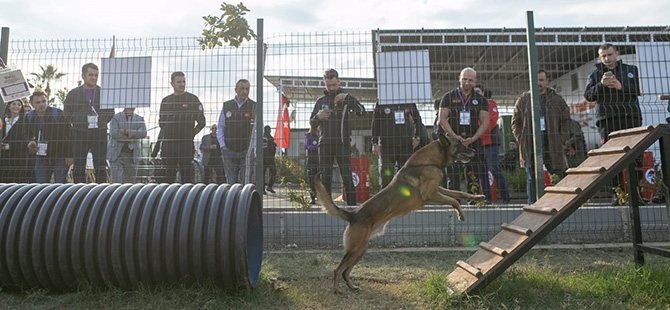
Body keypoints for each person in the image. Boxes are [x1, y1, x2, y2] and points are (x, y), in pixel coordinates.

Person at [584, 43, 643, 204]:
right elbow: (588, 95)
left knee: (636, 155)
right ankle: (616, 193)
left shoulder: (631, 70)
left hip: (630, 117)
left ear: (616, 53)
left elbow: (639, 90)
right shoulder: (595, 74)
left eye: (610, 55)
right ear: (599, 57)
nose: (607, 59)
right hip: (607, 120)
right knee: (611, 158)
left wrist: (620, 86)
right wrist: (601, 85)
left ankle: (636, 193)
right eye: (604, 56)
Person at [512, 69, 571, 202]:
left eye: (541, 80)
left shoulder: (556, 98)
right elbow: (516, 122)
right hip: (531, 143)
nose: (538, 83)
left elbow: (566, 120)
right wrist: (522, 139)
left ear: (547, 81)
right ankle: (534, 204)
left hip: (552, 142)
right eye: (535, 80)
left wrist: (561, 138)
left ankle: (561, 203)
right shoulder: (523, 99)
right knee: (533, 177)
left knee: (557, 173)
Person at [309, 69, 365, 206]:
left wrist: (348, 98)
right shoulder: (320, 101)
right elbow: (311, 122)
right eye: (329, 85)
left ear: (339, 82)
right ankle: (328, 207)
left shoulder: (346, 98)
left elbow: (361, 112)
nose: (332, 88)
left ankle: (352, 207)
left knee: (346, 175)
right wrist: (318, 117)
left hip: (342, 143)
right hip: (325, 144)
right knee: (325, 177)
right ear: (324, 84)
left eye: (334, 85)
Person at [438, 67, 491, 202]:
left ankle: (472, 201)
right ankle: (453, 203)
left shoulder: (480, 99)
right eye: (465, 79)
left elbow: (485, 122)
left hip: (472, 141)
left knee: (473, 174)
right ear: (459, 79)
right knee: (452, 174)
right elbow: (442, 119)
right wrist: (454, 136)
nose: (467, 83)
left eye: (471, 80)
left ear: (475, 81)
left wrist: (474, 138)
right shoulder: (448, 97)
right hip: (452, 143)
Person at [64, 63, 114, 183]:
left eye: (96, 75)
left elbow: (110, 113)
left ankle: (101, 193)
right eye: (90, 75)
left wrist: (100, 122)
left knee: (100, 166)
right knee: (79, 166)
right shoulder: (73, 94)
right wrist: (79, 122)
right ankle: (80, 194)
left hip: (99, 132)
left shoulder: (104, 93)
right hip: (79, 133)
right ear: (83, 76)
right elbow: (67, 113)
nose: (93, 78)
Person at [159, 71, 206, 184]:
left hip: (186, 143)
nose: (182, 84)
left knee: (186, 175)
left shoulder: (192, 99)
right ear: (172, 83)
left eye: (183, 81)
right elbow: (161, 123)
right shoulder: (166, 101)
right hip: (169, 144)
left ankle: (187, 199)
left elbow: (201, 122)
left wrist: (191, 133)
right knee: (168, 176)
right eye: (179, 82)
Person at [25, 89, 73, 183]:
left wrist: (70, 155)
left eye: (44, 101)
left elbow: (70, 134)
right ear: (32, 104)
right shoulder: (29, 116)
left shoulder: (57, 113)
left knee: (60, 184)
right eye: (37, 102)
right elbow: (25, 133)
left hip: (60, 155)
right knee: (41, 185)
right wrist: (30, 141)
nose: (41, 104)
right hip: (41, 155)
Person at [371, 101, 421, 188]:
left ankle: (405, 200)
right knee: (386, 177)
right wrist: (374, 142)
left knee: (406, 176)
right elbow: (376, 122)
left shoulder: (408, 100)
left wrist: (418, 137)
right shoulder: (382, 100)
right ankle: (386, 200)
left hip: (406, 145)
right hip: (387, 145)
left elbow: (417, 119)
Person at [475, 85, 510, 203]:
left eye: (478, 92)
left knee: (495, 170)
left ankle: (506, 197)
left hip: (490, 143)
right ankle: (486, 199)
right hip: (479, 144)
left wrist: (477, 132)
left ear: (483, 93)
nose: (477, 94)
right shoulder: (473, 106)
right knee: (482, 172)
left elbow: (491, 122)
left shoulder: (491, 104)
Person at [217, 79, 257, 184]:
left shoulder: (253, 106)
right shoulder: (227, 106)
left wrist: (252, 147)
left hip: (246, 151)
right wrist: (223, 145)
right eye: (242, 88)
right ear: (236, 90)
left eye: (247, 89)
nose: (245, 91)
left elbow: (257, 129)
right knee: (231, 182)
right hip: (229, 150)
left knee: (246, 181)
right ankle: (232, 200)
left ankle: (246, 200)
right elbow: (220, 126)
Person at [107, 108, 147, 183]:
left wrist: (126, 132)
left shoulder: (140, 119)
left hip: (132, 156)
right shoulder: (115, 118)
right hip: (117, 155)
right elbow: (114, 134)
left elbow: (143, 133)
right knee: (116, 184)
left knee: (130, 185)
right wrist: (135, 135)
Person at [1, 99, 28, 183]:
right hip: (3, 157)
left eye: (19, 104)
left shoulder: (24, 121)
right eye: (14, 104)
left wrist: (10, 146)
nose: (16, 106)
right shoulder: (3, 120)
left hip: (18, 157)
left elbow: (26, 140)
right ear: (9, 106)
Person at [305, 124, 320, 204]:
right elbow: (306, 145)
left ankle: (320, 197)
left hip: (319, 161)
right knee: (311, 180)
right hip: (311, 161)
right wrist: (316, 147)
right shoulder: (308, 136)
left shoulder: (320, 136)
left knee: (319, 180)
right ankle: (312, 198)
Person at [262, 125, 277, 193]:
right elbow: (273, 148)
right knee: (273, 172)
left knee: (262, 173)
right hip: (270, 158)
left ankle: (262, 189)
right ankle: (270, 186)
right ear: (270, 130)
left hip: (262, 158)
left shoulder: (261, 138)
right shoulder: (270, 138)